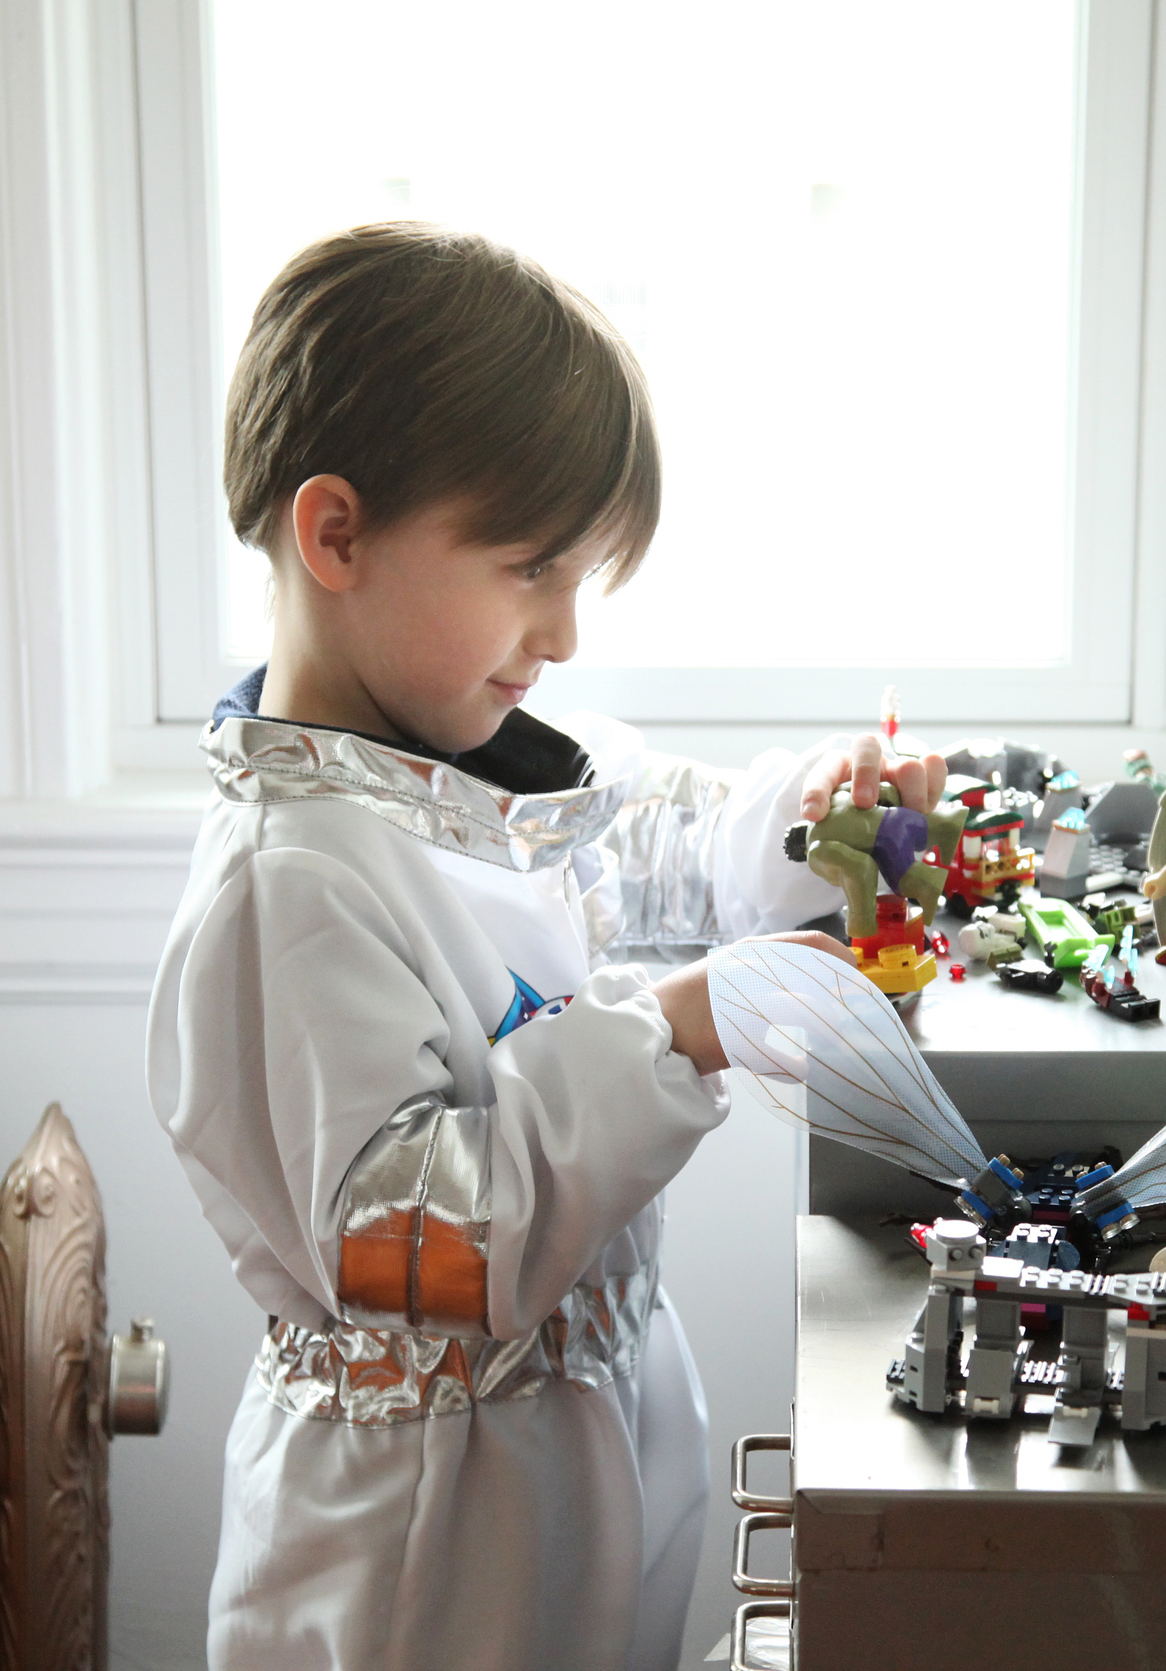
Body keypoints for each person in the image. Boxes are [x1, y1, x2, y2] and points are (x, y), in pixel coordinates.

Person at [145, 223, 945, 1671]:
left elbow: (655, 843)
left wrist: (813, 821)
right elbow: (419, 1251)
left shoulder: (467, 775)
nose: (565, 631)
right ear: (336, 536)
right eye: (530, 570)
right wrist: (677, 1034)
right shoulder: (294, 883)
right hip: (422, 1549)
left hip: (570, 1449)